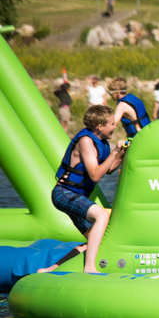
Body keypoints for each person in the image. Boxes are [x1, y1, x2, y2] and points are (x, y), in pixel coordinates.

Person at [48, 105, 125, 273]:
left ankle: (51, 269)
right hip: (64, 193)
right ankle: (89, 268)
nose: (115, 126)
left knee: (94, 240)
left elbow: (109, 169)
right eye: (111, 123)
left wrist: (121, 154)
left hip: (76, 195)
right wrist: (114, 153)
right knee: (101, 216)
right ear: (100, 126)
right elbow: (95, 175)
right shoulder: (86, 142)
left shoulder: (102, 143)